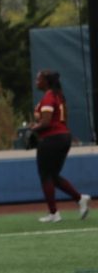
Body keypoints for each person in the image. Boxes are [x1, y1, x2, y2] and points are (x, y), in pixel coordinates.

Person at [32, 69, 90, 223]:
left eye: (39, 79)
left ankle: (54, 214)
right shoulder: (58, 95)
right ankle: (80, 199)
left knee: (45, 176)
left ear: (46, 81)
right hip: (62, 137)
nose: (36, 81)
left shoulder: (49, 97)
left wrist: (32, 128)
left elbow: (46, 122)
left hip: (52, 139)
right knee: (53, 176)